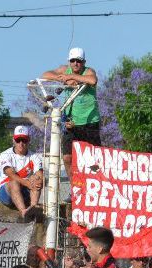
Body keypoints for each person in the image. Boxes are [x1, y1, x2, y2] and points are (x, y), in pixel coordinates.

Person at [41, 47, 100, 184]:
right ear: (69, 61)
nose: (75, 64)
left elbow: (93, 80)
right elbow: (45, 75)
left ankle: (94, 186)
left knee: (93, 158)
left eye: (78, 61)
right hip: (70, 122)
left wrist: (72, 77)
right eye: (72, 61)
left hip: (89, 122)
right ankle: (75, 188)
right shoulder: (64, 69)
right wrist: (61, 78)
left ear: (84, 62)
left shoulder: (88, 72)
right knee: (67, 157)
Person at [0, 125, 44, 221]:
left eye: (24, 140)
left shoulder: (34, 156)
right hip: (6, 192)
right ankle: (24, 212)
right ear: (14, 141)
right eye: (18, 140)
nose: (21, 143)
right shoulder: (5, 154)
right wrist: (26, 182)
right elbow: (10, 173)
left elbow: (40, 174)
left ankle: (33, 208)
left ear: (28, 140)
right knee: (14, 182)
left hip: (25, 190)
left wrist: (37, 178)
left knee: (37, 179)